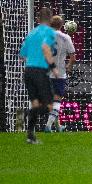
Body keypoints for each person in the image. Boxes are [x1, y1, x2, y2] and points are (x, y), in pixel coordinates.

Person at [20, 8, 58, 143]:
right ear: (51, 19)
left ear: (37, 19)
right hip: (40, 72)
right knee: (49, 106)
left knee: (35, 103)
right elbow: (46, 48)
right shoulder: (49, 32)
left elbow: (22, 55)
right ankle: (26, 113)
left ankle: (30, 136)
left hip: (28, 72)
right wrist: (54, 68)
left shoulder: (31, 34)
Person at [45, 15, 76, 132]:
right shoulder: (66, 37)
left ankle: (58, 127)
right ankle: (48, 126)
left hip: (46, 72)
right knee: (57, 99)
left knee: (52, 100)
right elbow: (73, 57)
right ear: (61, 25)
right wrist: (68, 66)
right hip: (59, 73)